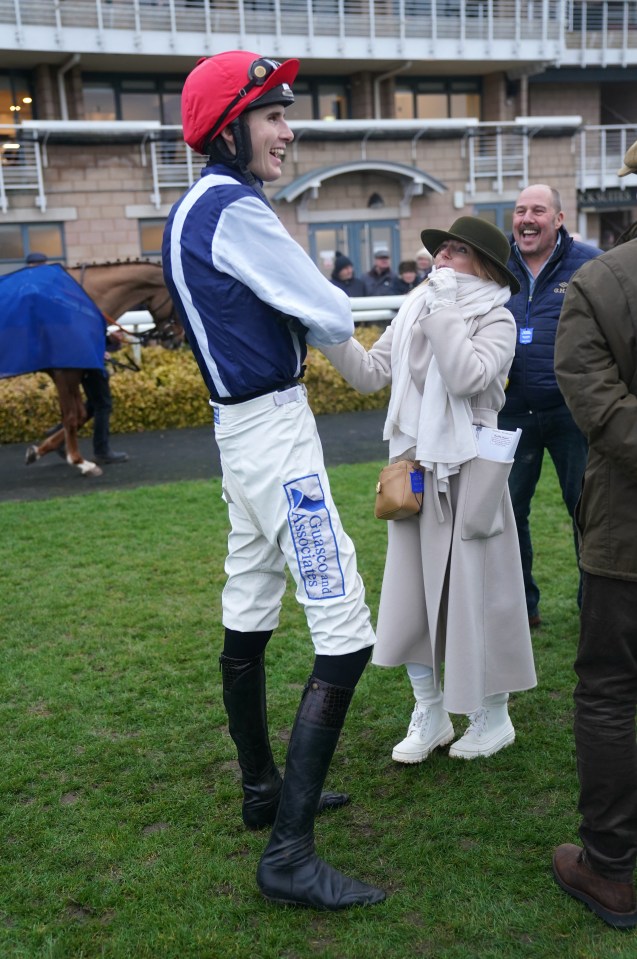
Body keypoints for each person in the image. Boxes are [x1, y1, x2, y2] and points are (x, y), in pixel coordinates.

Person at [161, 51, 385, 911]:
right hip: (275, 438)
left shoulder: (195, 206)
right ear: (228, 128)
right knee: (346, 630)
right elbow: (327, 313)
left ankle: (262, 788)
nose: (288, 130)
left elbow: (312, 334)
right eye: (272, 114)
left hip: (243, 436)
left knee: (249, 602)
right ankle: (289, 852)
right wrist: (351, 337)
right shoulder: (235, 208)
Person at [321, 217, 537, 763]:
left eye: (457, 252)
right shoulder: (416, 307)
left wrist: (441, 309)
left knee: (478, 591)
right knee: (411, 594)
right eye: (440, 250)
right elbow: (371, 372)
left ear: (484, 264)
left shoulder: (497, 317)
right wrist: (324, 329)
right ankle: (430, 710)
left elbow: (466, 378)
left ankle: (493, 717)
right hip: (413, 471)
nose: (441, 260)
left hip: (471, 471)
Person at [551, 147, 637, 929]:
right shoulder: (598, 280)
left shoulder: (601, 280)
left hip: (625, 537)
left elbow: (600, 412)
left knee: (610, 689)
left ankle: (611, 868)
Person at [498, 185, 601, 628]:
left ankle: (594, 605)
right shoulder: (493, 264)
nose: (526, 218)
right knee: (506, 510)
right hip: (510, 411)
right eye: (520, 210)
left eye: (538, 210)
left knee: (585, 509)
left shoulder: (591, 264)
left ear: (558, 219)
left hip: (569, 411)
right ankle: (523, 606)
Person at [25, 252, 128, 466]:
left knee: (90, 406)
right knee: (101, 404)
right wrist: (99, 347)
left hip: (82, 356)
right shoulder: (46, 299)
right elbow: (73, 330)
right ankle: (99, 450)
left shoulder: (58, 295)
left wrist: (108, 339)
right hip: (81, 360)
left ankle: (54, 441)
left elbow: (81, 325)